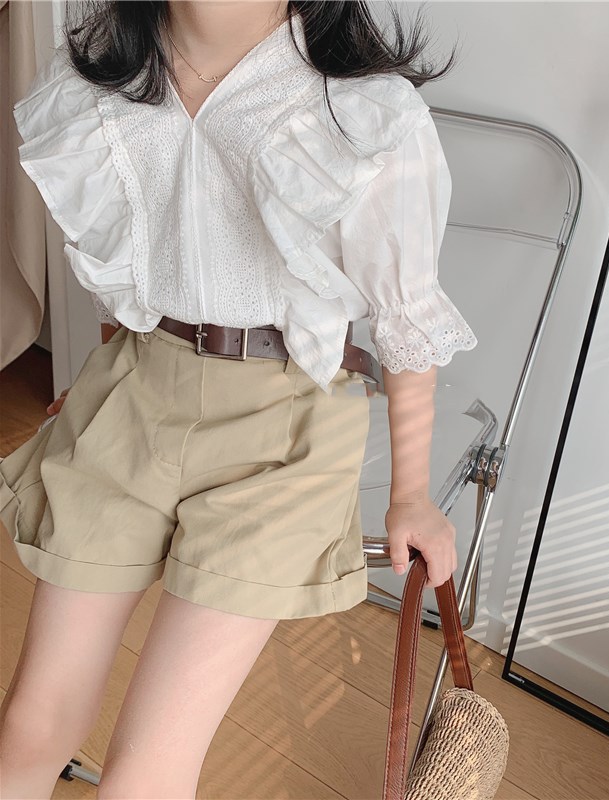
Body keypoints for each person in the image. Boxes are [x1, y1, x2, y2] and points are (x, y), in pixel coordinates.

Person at [0, 1, 478, 797]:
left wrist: (412, 493)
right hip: (136, 387)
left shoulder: (363, 109)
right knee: (28, 726)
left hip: (286, 424)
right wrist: (105, 379)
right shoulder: (98, 78)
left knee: (143, 773)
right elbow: (126, 255)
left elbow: (405, 317)